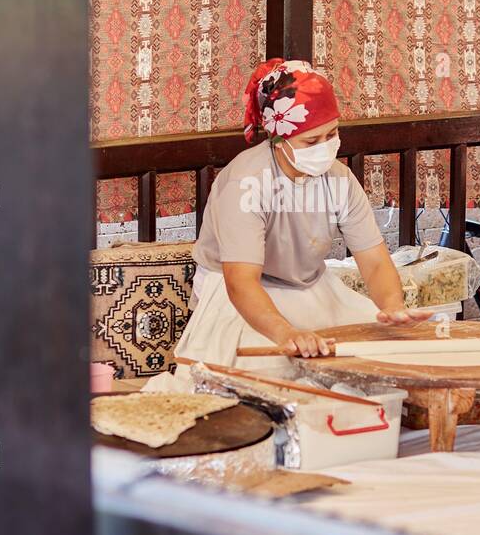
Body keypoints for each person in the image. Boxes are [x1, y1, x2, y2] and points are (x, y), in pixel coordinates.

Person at [169, 57, 430, 375]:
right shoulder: (246, 184)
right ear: (277, 140)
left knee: (381, 356)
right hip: (236, 296)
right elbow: (241, 283)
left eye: (331, 135)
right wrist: (286, 334)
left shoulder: (339, 180)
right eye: (311, 141)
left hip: (309, 287)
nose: (325, 147)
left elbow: (374, 260)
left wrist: (392, 306)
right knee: (273, 374)